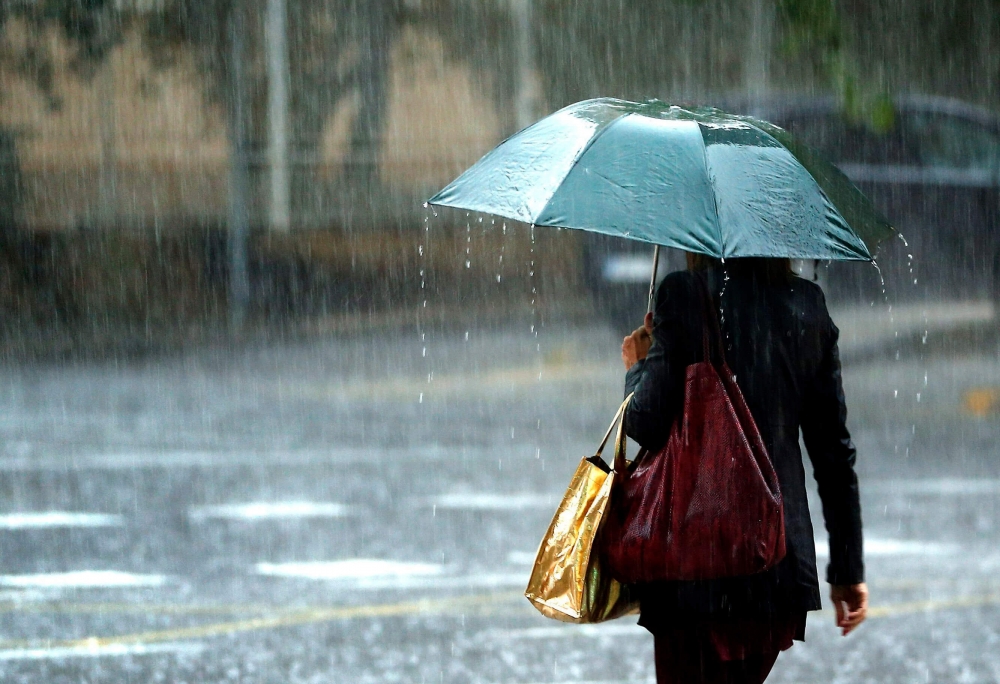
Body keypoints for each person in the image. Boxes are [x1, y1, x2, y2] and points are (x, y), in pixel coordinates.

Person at [619, 253, 868, 684]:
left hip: (694, 562)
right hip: (773, 563)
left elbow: (645, 421)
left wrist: (638, 366)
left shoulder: (684, 294)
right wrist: (848, 570)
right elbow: (833, 451)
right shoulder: (807, 304)